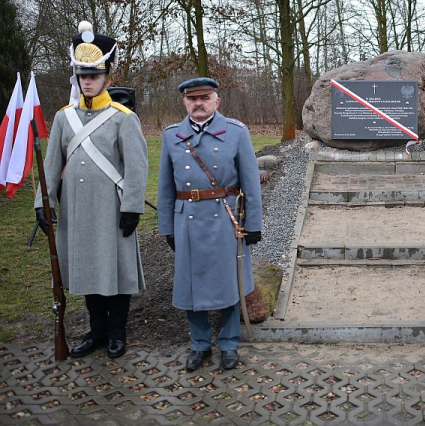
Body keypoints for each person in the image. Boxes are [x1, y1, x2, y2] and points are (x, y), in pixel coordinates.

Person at [34, 21, 148, 359]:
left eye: (94, 74)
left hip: (112, 207)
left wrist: (132, 207)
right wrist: (44, 203)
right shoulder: (63, 118)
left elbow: (137, 166)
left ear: (107, 77)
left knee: (115, 269)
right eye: (83, 74)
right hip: (77, 208)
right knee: (86, 268)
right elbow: (51, 164)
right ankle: (96, 331)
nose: (88, 80)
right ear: (76, 77)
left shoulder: (123, 117)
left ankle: (117, 332)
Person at [157, 77, 262, 371]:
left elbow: (251, 182)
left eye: (205, 97)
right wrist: (166, 226)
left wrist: (254, 223)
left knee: (228, 282)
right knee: (191, 287)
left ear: (217, 101)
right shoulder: (171, 135)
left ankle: (229, 344)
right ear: (185, 102)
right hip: (187, 220)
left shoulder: (236, 133)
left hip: (226, 218)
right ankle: (200, 344)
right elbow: (165, 187)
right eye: (193, 99)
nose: (199, 103)